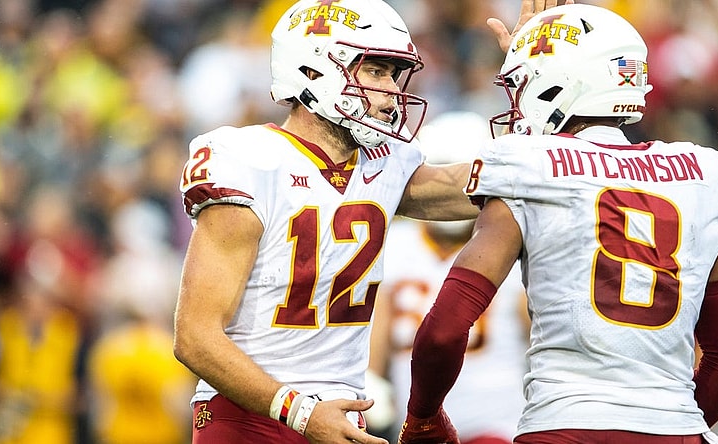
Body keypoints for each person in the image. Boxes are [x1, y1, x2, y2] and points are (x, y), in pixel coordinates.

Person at [172, 1, 568, 443]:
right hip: (252, 413)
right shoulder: (251, 161)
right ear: (313, 70)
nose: (390, 91)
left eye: (393, 75)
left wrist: (535, 73)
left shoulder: (385, 164)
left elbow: (496, 181)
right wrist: (300, 412)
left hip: (342, 413)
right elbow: (195, 337)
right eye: (376, 73)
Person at [399, 4, 718, 444]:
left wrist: (423, 420)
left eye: (522, 85)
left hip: (563, 425)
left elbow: (443, 331)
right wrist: (668, 423)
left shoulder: (529, 166)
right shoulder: (705, 174)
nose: (515, 103)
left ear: (558, 86)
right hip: (677, 429)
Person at [368, 111, 530, 444]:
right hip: (416, 429)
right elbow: (375, 343)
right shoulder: (394, 244)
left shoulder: (511, 243)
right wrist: (371, 384)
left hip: (500, 425)